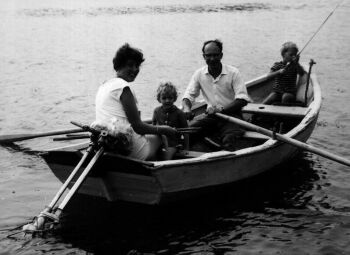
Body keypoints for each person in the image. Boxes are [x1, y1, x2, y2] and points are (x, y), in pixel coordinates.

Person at [93, 43, 177, 160]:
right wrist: (164, 129)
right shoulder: (123, 86)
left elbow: (134, 125)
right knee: (162, 136)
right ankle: (163, 168)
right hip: (126, 147)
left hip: (107, 143)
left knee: (152, 133)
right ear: (119, 65)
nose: (135, 70)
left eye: (137, 66)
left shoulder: (104, 85)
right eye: (130, 65)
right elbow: (138, 127)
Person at [182, 39, 250, 151]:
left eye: (215, 55)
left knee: (229, 140)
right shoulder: (199, 74)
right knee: (187, 133)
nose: (212, 59)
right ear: (204, 56)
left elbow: (242, 99)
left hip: (232, 116)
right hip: (211, 116)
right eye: (208, 56)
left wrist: (221, 110)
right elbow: (188, 96)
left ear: (221, 55)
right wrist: (186, 108)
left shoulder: (233, 72)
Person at [152, 82, 189, 160]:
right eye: (164, 98)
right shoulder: (156, 111)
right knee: (151, 154)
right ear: (159, 99)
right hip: (160, 141)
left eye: (170, 98)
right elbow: (153, 127)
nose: (167, 101)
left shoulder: (180, 113)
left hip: (174, 143)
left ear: (174, 98)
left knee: (166, 156)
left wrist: (186, 148)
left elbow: (186, 132)